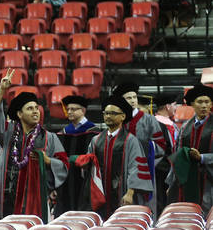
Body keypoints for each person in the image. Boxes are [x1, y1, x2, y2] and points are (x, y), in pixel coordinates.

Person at [0, 71, 68, 221]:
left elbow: (64, 164)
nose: (35, 111)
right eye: (30, 109)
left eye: (36, 108)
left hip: (35, 199)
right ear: (19, 114)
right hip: (7, 201)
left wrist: (48, 161)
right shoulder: (8, 135)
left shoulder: (49, 138)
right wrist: (2, 90)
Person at [83, 94, 151, 220]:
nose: (108, 116)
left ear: (123, 116)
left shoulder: (130, 140)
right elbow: (90, 168)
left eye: (113, 113)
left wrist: (130, 193)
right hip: (100, 194)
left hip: (123, 193)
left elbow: (136, 168)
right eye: (106, 113)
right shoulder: (96, 140)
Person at [112, 81, 169, 213]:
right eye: (128, 98)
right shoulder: (119, 120)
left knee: (144, 209)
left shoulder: (149, 120)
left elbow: (160, 145)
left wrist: (144, 150)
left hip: (145, 171)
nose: (132, 100)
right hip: (121, 172)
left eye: (134, 97)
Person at [167, 84, 213, 214]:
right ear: (192, 104)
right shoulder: (185, 127)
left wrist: (202, 158)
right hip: (187, 181)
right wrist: (171, 183)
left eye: (207, 102)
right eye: (200, 102)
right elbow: (178, 154)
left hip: (209, 182)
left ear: (211, 104)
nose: (204, 106)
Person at [55, 95, 98, 214]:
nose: (69, 112)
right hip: (66, 177)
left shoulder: (93, 131)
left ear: (83, 110)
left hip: (85, 176)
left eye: (73, 109)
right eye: (68, 109)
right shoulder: (64, 132)